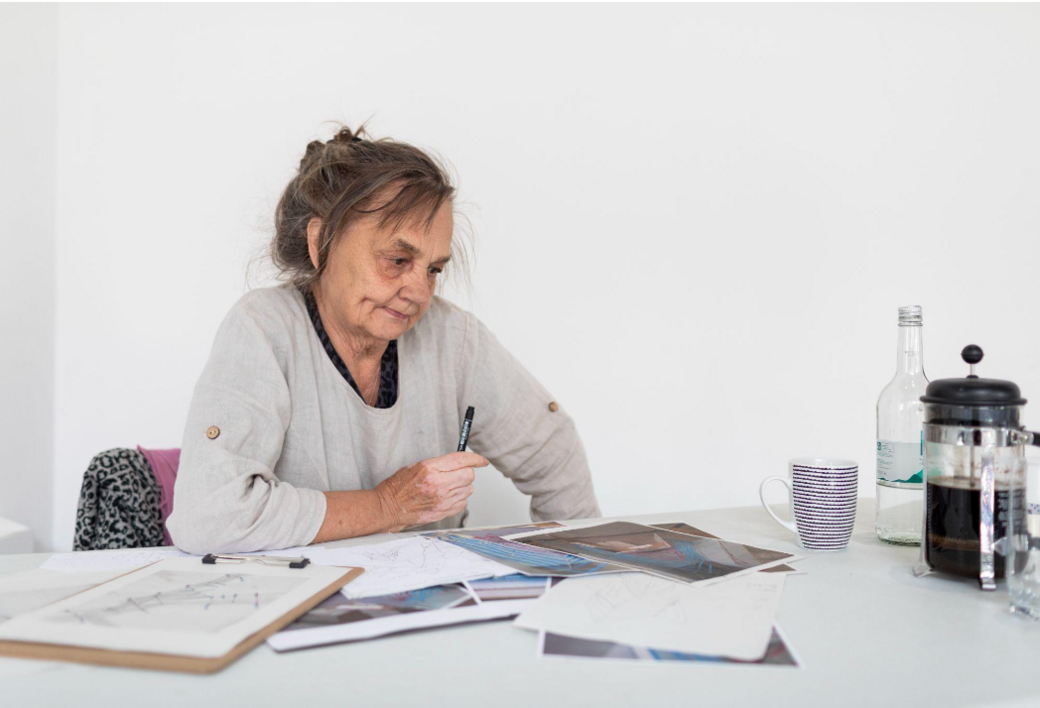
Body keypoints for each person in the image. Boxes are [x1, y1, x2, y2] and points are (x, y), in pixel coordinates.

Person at [166, 125, 600, 553]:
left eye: (433, 269)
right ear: (322, 243)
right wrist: (387, 505)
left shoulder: (452, 337)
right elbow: (210, 516)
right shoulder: (263, 329)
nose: (418, 292)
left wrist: (574, 567)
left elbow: (551, 448)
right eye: (397, 259)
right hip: (305, 609)